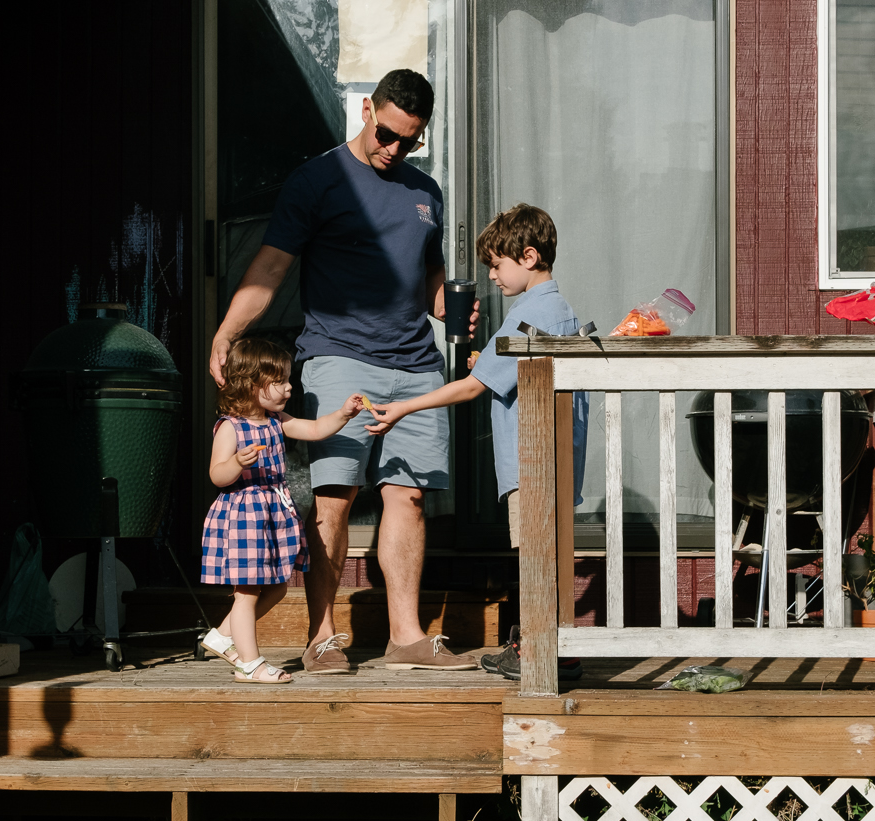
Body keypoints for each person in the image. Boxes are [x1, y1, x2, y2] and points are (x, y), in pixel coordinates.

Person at [207, 67, 479, 674]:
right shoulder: (318, 180)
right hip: (337, 357)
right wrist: (228, 333)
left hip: (415, 363)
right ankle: (322, 636)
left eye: (410, 141)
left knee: (407, 499)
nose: (394, 149)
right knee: (333, 497)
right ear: (366, 110)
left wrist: (446, 306)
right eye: (387, 134)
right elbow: (272, 267)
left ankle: (406, 636)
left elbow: (429, 278)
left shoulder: (425, 191)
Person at [366, 203, 588, 681]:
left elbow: (474, 387)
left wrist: (404, 406)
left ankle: (538, 651)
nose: (491, 275)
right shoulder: (555, 309)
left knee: (535, 557)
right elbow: (496, 371)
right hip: (553, 459)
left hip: (534, 460)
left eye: (496, 263)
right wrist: (481, 368)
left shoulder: (535, 313)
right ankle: (555, 647)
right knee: (547, 555)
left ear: (528, 257)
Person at [197, 338, 365, 683]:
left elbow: (315, 430)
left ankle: (222, 636)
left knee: (277, 587)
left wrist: (344, 414)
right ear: (250, 383)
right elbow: (216, 474)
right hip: (243, 516)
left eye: (288, 379)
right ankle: (250, 663)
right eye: (279, 381)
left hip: (271, 514)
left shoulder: (275, 420)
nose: (289, 388)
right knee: (246, 593)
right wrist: (236, 463)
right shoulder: (231, 427)